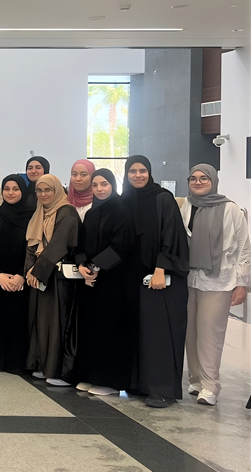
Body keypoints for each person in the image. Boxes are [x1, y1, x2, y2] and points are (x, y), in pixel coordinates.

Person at [121, 155, 189, 408]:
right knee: (139, 332)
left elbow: (171, 235)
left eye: (142, 171)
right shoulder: (126, 200)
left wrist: (161, 268)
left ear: (150, 173)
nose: (137, 175)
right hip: (134, 278)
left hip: (162, 278)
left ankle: (163, 390)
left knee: (160, 334)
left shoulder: (163, 199)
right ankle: (139, 384)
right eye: (132, 171)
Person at [181, 163, 249, 406]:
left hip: (219, 280)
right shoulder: (187, 206)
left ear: (213, 180)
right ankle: (196, 379)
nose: (198, 182)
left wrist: (242, 284)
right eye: (193, 178)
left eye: (203, 178)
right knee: (191, 332)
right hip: (189, 278)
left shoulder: (230, 209)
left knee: (211, 334)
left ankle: (211, 386)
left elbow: (244, 248)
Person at [72, 168, 136, 396]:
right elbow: (80, 244)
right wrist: (82, 265)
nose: (99, 189)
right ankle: (90, 375)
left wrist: (95, 267)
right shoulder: (91, 213)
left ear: (113, 186)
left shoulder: (121, 210)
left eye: (104, 185)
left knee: (109, 328)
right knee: (90, 328)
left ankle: (109, 381)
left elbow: (122, 245)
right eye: (96, 185)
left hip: (113, 281)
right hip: (90, 280)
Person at [24, 173, 80, 386]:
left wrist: (37, 271)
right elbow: (30, 243)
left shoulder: (67, 212)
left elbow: (59, 244)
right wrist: (29, 270)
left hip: (57, 278)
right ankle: (42, 364)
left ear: (57, 191)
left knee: (57, 322)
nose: (44, 194)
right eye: (39, 190)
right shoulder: (39, 213)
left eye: (48, 190)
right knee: (41, 321)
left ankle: (58, 371)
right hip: (40, 275)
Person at [0, 175, 35, 373]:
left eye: (16, 189)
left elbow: (34, 248)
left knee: (18, 321)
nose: (10, 192)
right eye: (7, 188)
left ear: (23, 191)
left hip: (21, 280)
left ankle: (16, 362)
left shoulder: (33, 217)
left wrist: (21, 275)